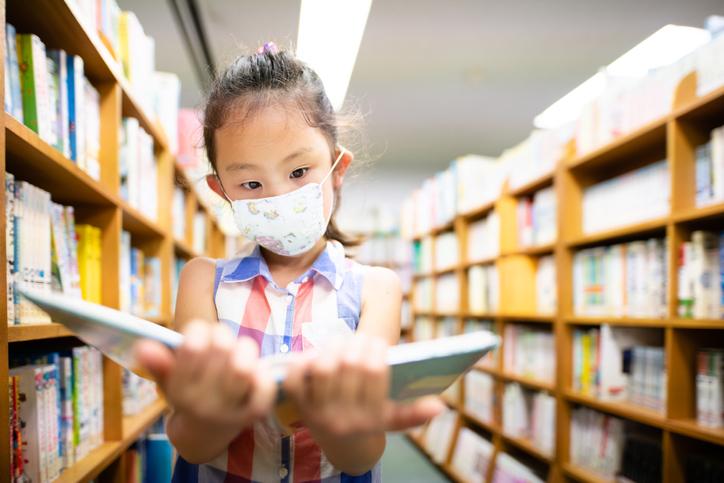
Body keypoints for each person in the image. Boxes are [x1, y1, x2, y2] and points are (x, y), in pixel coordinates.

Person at [134, 42, 444, 482]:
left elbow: (360, 459)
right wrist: (211, 412)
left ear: (337, 170)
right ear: (222, 192)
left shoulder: (376, 289)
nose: (278, 197)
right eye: (251, 182)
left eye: (299, 173)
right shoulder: (202, 281)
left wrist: (343, 422)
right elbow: (193, 446)